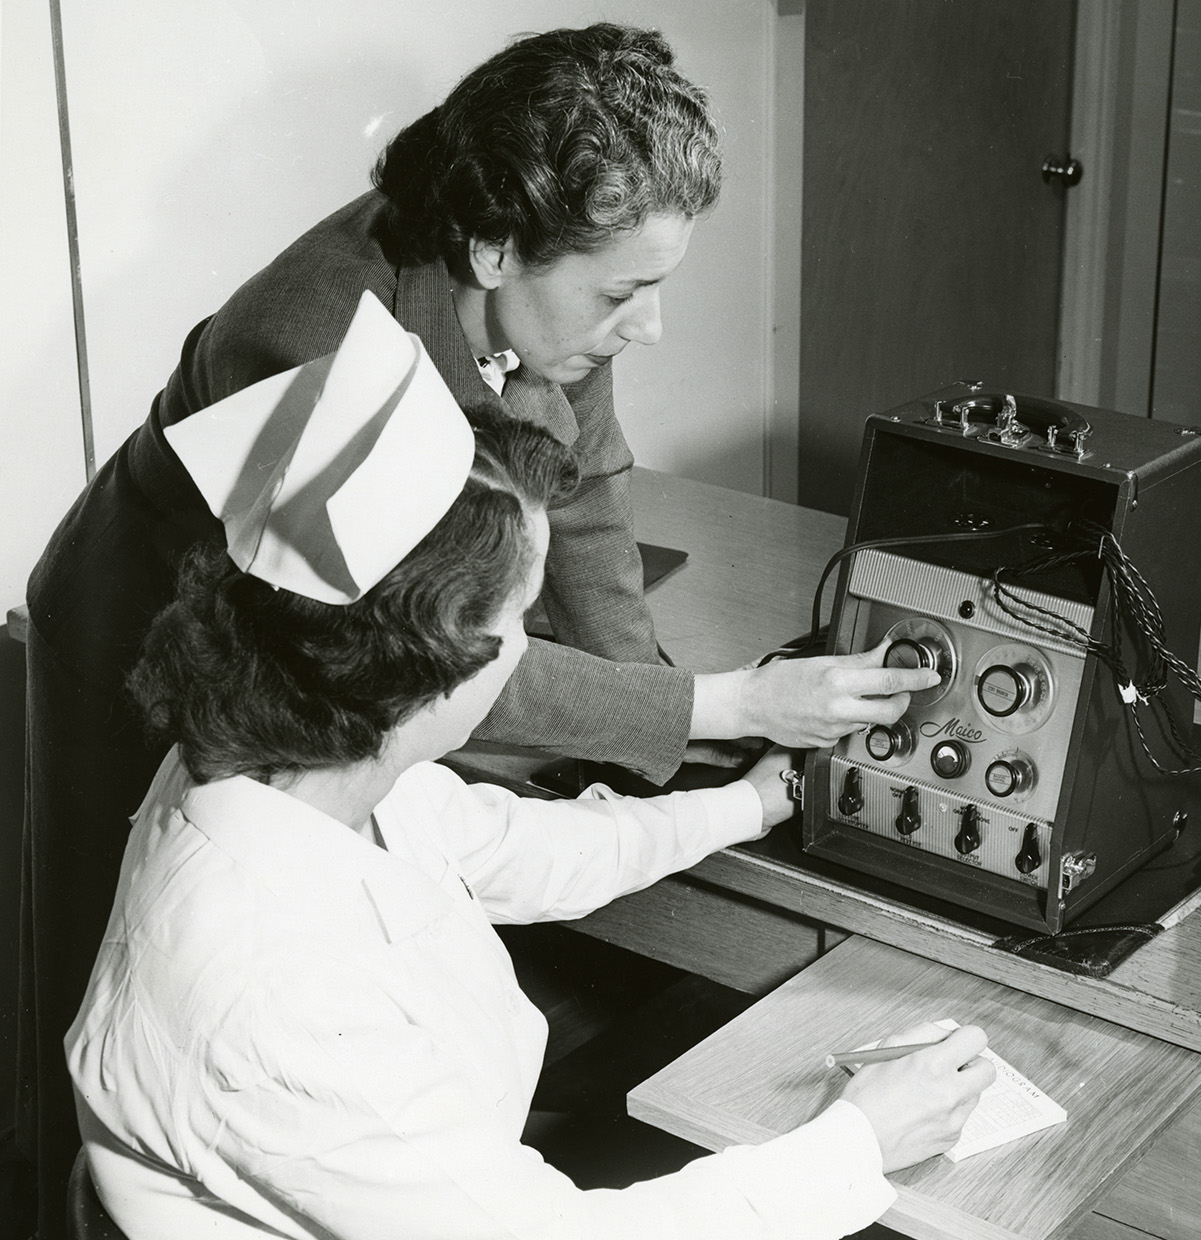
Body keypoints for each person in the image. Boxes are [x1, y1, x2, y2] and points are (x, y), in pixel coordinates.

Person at [22, 23, 931, 1227]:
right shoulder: (299, 342)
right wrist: (718, 707)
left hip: (320, 736)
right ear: (496, 248)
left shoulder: (544, 294)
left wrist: (704, 758)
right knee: (146, 998)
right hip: (141, 633)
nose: (646, 325)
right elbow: (429, 656)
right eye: (626, 292)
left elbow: (582, 504)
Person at [64, 350, 995, 1239]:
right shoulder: (281, 999)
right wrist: (857, 1144)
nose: (524, 648)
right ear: (430, 659)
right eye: (518, 617)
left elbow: (508, 846)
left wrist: (754, 801)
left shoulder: (283, 758)